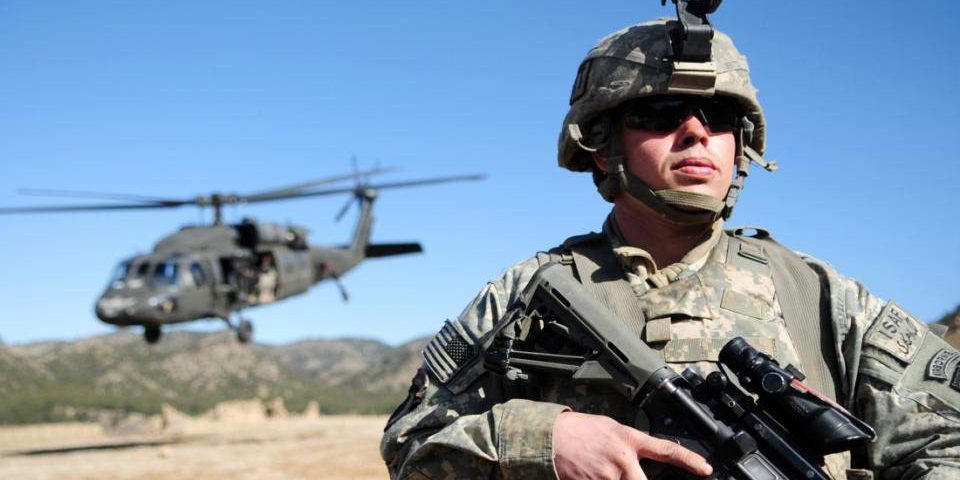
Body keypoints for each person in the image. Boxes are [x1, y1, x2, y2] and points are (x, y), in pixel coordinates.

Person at [381, 16, 960, 480]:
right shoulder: (528, 296)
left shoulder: (817, 297)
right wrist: (545, 440)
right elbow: (411, 445)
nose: (695, 131)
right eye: (658, 114)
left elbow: (947, 439)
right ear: (603, 146)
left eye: (719, 115)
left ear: (742, 145)